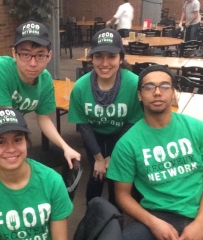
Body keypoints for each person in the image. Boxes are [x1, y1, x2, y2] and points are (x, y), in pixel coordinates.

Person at [107, 65, 203, 240]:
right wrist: (153, 222)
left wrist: (201, 223)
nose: (157, 92)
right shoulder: (127, 144)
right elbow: (122, 195)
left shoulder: (198, 129)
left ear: (173, 92)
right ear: (139, 95)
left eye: (165, 86)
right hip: (157, 214)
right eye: (149, 87)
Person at [0, 20, 80, 169]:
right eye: (25, 54)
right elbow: (6, 119)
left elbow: (44, 119)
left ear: (49, 56)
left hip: (3, 143)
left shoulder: (45, 79)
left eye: (40, 55)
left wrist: (65, 147)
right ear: (14, 54)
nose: (32, 63)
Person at [0, 107, 73, 239]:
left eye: (17, 140)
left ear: (26, 141)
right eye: (0, 142)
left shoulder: (53, 182)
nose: (11, 149)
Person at [68, 28, 143, 207]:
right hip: (94, 135)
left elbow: (132, 123)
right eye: (98, 56)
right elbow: (84, 126)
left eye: (111, 56)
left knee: (117, 178)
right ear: (91, 59)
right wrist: (99, 159)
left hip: (123, 135)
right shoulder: (80, 87)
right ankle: (92, 214)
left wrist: (113, 157)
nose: (104, 63)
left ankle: (115, 218)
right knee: (97, 175)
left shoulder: (133, 84)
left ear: (121, 58)